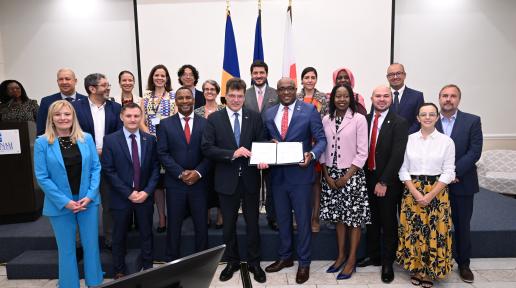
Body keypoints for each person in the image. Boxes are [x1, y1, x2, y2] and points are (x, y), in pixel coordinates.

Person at [201, 78, 267, 283]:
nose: (236, 100)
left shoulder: (254, 117)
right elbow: (207, 148)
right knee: (228, 225)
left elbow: (262, 142)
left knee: (253, 224)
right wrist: (233, 153)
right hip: (226, 180)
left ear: (243, 96)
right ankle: (232, 262)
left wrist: (264, 157)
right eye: (232, 96)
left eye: (240, 96)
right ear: (226, 96)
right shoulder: (214, 119)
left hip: (250, 180)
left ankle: (255, 263)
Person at [262, 78, 326, 284]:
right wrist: (267, 147)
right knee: (282, 220)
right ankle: (285, 257)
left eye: (290, 88)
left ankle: (304, 262)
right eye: (282, 88)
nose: (286, 92)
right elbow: (263, 140)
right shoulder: (269, 113)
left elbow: (321, 139)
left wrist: (312, 155)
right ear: (277, 91)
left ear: (295, 89)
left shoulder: (309, 110)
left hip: (301, 175)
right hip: (278, 176)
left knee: (303, 221)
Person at [34, 100, 103, 288]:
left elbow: (96, 168)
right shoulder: (42, 142)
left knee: (91, 246)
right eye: (58, 115)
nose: (63, 118)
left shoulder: (86, 138)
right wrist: (65, 202)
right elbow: (42, 176)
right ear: (51, 118)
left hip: (87, 201)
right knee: (66, 250)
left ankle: (95, 282)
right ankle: (69, 284)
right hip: (60, 204)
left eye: (67, 114)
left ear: (73, 117)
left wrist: (90, 195)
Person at [397, 102, 455, 288]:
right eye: (424, 114)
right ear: (418, 118)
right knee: (414, 230)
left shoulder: (446, 142)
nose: (428, 117)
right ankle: (416, 268)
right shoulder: (409, 139)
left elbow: (449, 172)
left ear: (437, 117)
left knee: (434, 231)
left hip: (437, 191)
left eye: (431, 114)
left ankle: (431, 271)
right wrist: (414, 192)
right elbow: (403, 169)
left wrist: (430, 195)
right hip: (412, 189)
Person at [101, 102, 160, 279]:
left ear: (141, 117)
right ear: (122, 117)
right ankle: (119, 270)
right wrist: (128, 192)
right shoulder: (110, 140)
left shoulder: (149, 139)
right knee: (118, 235)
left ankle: (148, 266)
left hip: (144, 196)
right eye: (129, 116)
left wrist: (147, 191)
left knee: (146, 233)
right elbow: (108, 170)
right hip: (121, 197)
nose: (133, 119)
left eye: (136, 116)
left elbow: (155, 168)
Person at [357, 85, 408, 284]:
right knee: (371, 220)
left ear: (391, 99)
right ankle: (373, 255)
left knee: (388, 223)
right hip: (366, 178)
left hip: (387, 181)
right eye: (378, 96)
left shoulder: (399, 122)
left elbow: (397, 155)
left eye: (386, 96)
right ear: (371, 98)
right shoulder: (365, 120)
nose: (381, 99)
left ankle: (387, 263)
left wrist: (384, 181)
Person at [319, 84, 369, 280]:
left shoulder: (358, 119)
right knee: (339, 218)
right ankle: (340, 256)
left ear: (351, 98)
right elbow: (322, 148)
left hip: (352, 175)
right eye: (338, 96)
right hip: (331, 175)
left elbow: (362, 151)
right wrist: (327, 175)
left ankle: (351, 260)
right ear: (333, 99)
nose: (341, 99)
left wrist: (346, 177)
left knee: (353, 220)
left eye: (345, 96)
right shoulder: (326, 119)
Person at [436, 84, 483, 283]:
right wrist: (443, 175)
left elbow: (474, 151)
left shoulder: (472, 121)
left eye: (452, 96)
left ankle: (463, 264)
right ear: (439, 98)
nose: (448, 99)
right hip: (434, 184)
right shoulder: (428, 119)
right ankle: (437, 260)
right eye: (445, 96)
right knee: (435, 225)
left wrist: (452, 172)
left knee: (462, 224)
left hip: (461, 182)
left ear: (459, 99)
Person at [159, 87, 210, 261]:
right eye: (181, 98)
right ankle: (172, 260)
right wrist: (180, 173)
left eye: (188, 97)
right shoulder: (165, 124)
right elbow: (163, 153)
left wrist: (197, 172)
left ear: (193, 100)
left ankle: (202, 260)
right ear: (176, 101)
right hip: (175, 183)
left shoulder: (205, 123)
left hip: (200, 183)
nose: (185, 101)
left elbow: (209, 153)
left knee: (201, 224)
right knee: (174, 224)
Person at [74, 73, 123, 250]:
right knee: (82, 202)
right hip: (83, 163)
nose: (108, 87)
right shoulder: (75, 108)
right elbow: (73, 134)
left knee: (109, 202)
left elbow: (120, 135)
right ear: (92, 89)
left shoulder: (116, 108)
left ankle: (111, 240)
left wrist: (106, 151)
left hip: (109, 162)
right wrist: (92, 152)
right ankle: (82, 243)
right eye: (104, 85)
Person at [243, 60, 279, 231]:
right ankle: (252, 218)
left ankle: (273, 217)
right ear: (251, 74)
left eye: (261, 73)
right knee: (251, 184)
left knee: (271, 183)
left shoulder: (276, 93)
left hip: (271, 143)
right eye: (255, 73)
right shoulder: (245, 93)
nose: (258, 76)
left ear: (266, 74)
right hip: (250, 144)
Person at [140, 64, 176, 233]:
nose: (160, 78)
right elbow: (140, 120)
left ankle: (174, 216)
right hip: (151, 145)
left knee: (172, 182)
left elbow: (177, 120)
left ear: (167, 78)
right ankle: (161, 217)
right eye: (156, 75)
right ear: (152, 78)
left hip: (170, 146)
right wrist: (150, 135)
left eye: (163, 75)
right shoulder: (145, 99)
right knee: (157, 184)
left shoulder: (174, 97)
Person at [297, 67, 328, 233]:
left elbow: (328, 121)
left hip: (316, 145)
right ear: (302, 80)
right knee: (300, 183)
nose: (309, 80)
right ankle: (301, 217)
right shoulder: (296, 97)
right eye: (306, 77)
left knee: (316, 182)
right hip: (300, 145)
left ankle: (315, 217)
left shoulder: (323, 98)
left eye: (312, 77)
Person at [194, 80, 225, 229]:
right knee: (204, 188)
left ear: (217, 91)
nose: (209, 91)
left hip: (221, 155)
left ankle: (220, 217)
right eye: (206, 89)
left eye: (212, 89)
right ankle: (205, 217)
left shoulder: (224, 109)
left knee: (220, 186)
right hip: (202, 155)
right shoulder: (197, 112)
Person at [37, 68, 87, 135]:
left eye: (67, 79)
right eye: (61, 79)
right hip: (54, 142)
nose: (64, 82)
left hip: (81, 141)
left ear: (75, 81)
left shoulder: (86, 101)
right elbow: (41, 128)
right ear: (57, 81)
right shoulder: (46, 102)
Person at [386, 63, 424, 134]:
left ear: (404, 75)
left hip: (410, 140)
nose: (395, 77)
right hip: (386, 142)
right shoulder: (380, 96)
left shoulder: (417, 96)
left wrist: (404, 136)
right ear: (387, 77)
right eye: (391, 74)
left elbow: (419, 120)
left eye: (398, 73)